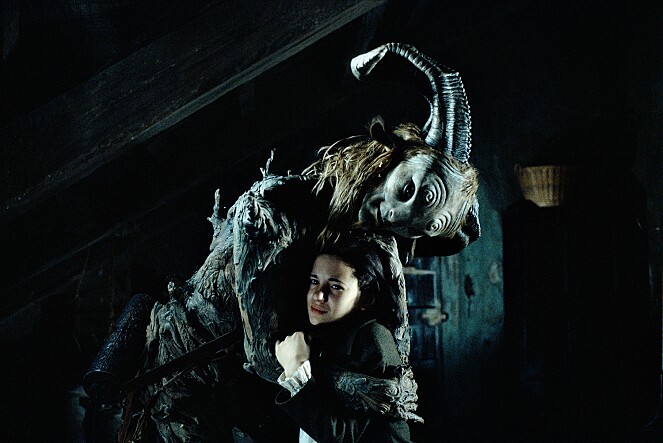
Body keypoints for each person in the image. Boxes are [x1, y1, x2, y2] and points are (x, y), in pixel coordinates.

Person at [275, 235, 413, 442]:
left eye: (335, 286)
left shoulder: (373, 339)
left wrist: (295, 368)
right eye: (314, 282)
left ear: (366, 299)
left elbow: (341, 436)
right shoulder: (325, 333)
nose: (318, 295)